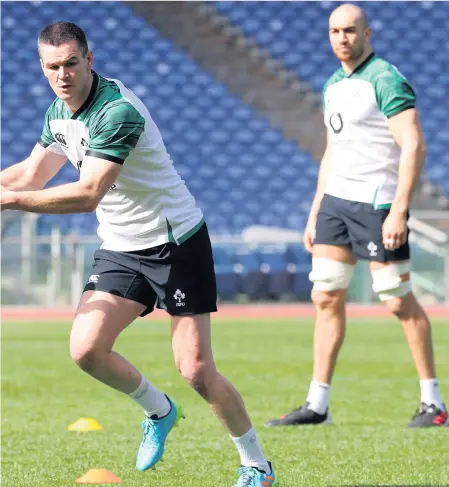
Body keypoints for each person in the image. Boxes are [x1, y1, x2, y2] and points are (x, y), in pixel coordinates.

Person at [0, 22, 277, 486]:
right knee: (86, 349)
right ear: (42, 68)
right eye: (53, 67)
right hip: (122, 248)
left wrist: (7, 201)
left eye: (71, 63)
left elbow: (88, 193)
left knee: (196, 369)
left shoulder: (117, 112)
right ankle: (159, 410)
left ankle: (256, 465)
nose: (63, 75)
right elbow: (31, 174)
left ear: (89, 59)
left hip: (176, 244)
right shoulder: (57, 113)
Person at [266, 4, 447, 429]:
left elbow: (414, 145)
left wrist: (399, 209)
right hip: (336, 205)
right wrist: (315, 211)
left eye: (350, 30)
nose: (341, 38)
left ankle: (433, 404)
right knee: (325, 295)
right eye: (334, 31)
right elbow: (332, 151)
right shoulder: (333, 84)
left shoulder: (385, 77)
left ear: (368, 33)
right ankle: (317, 405)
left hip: (377, 203)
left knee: (396, 300)